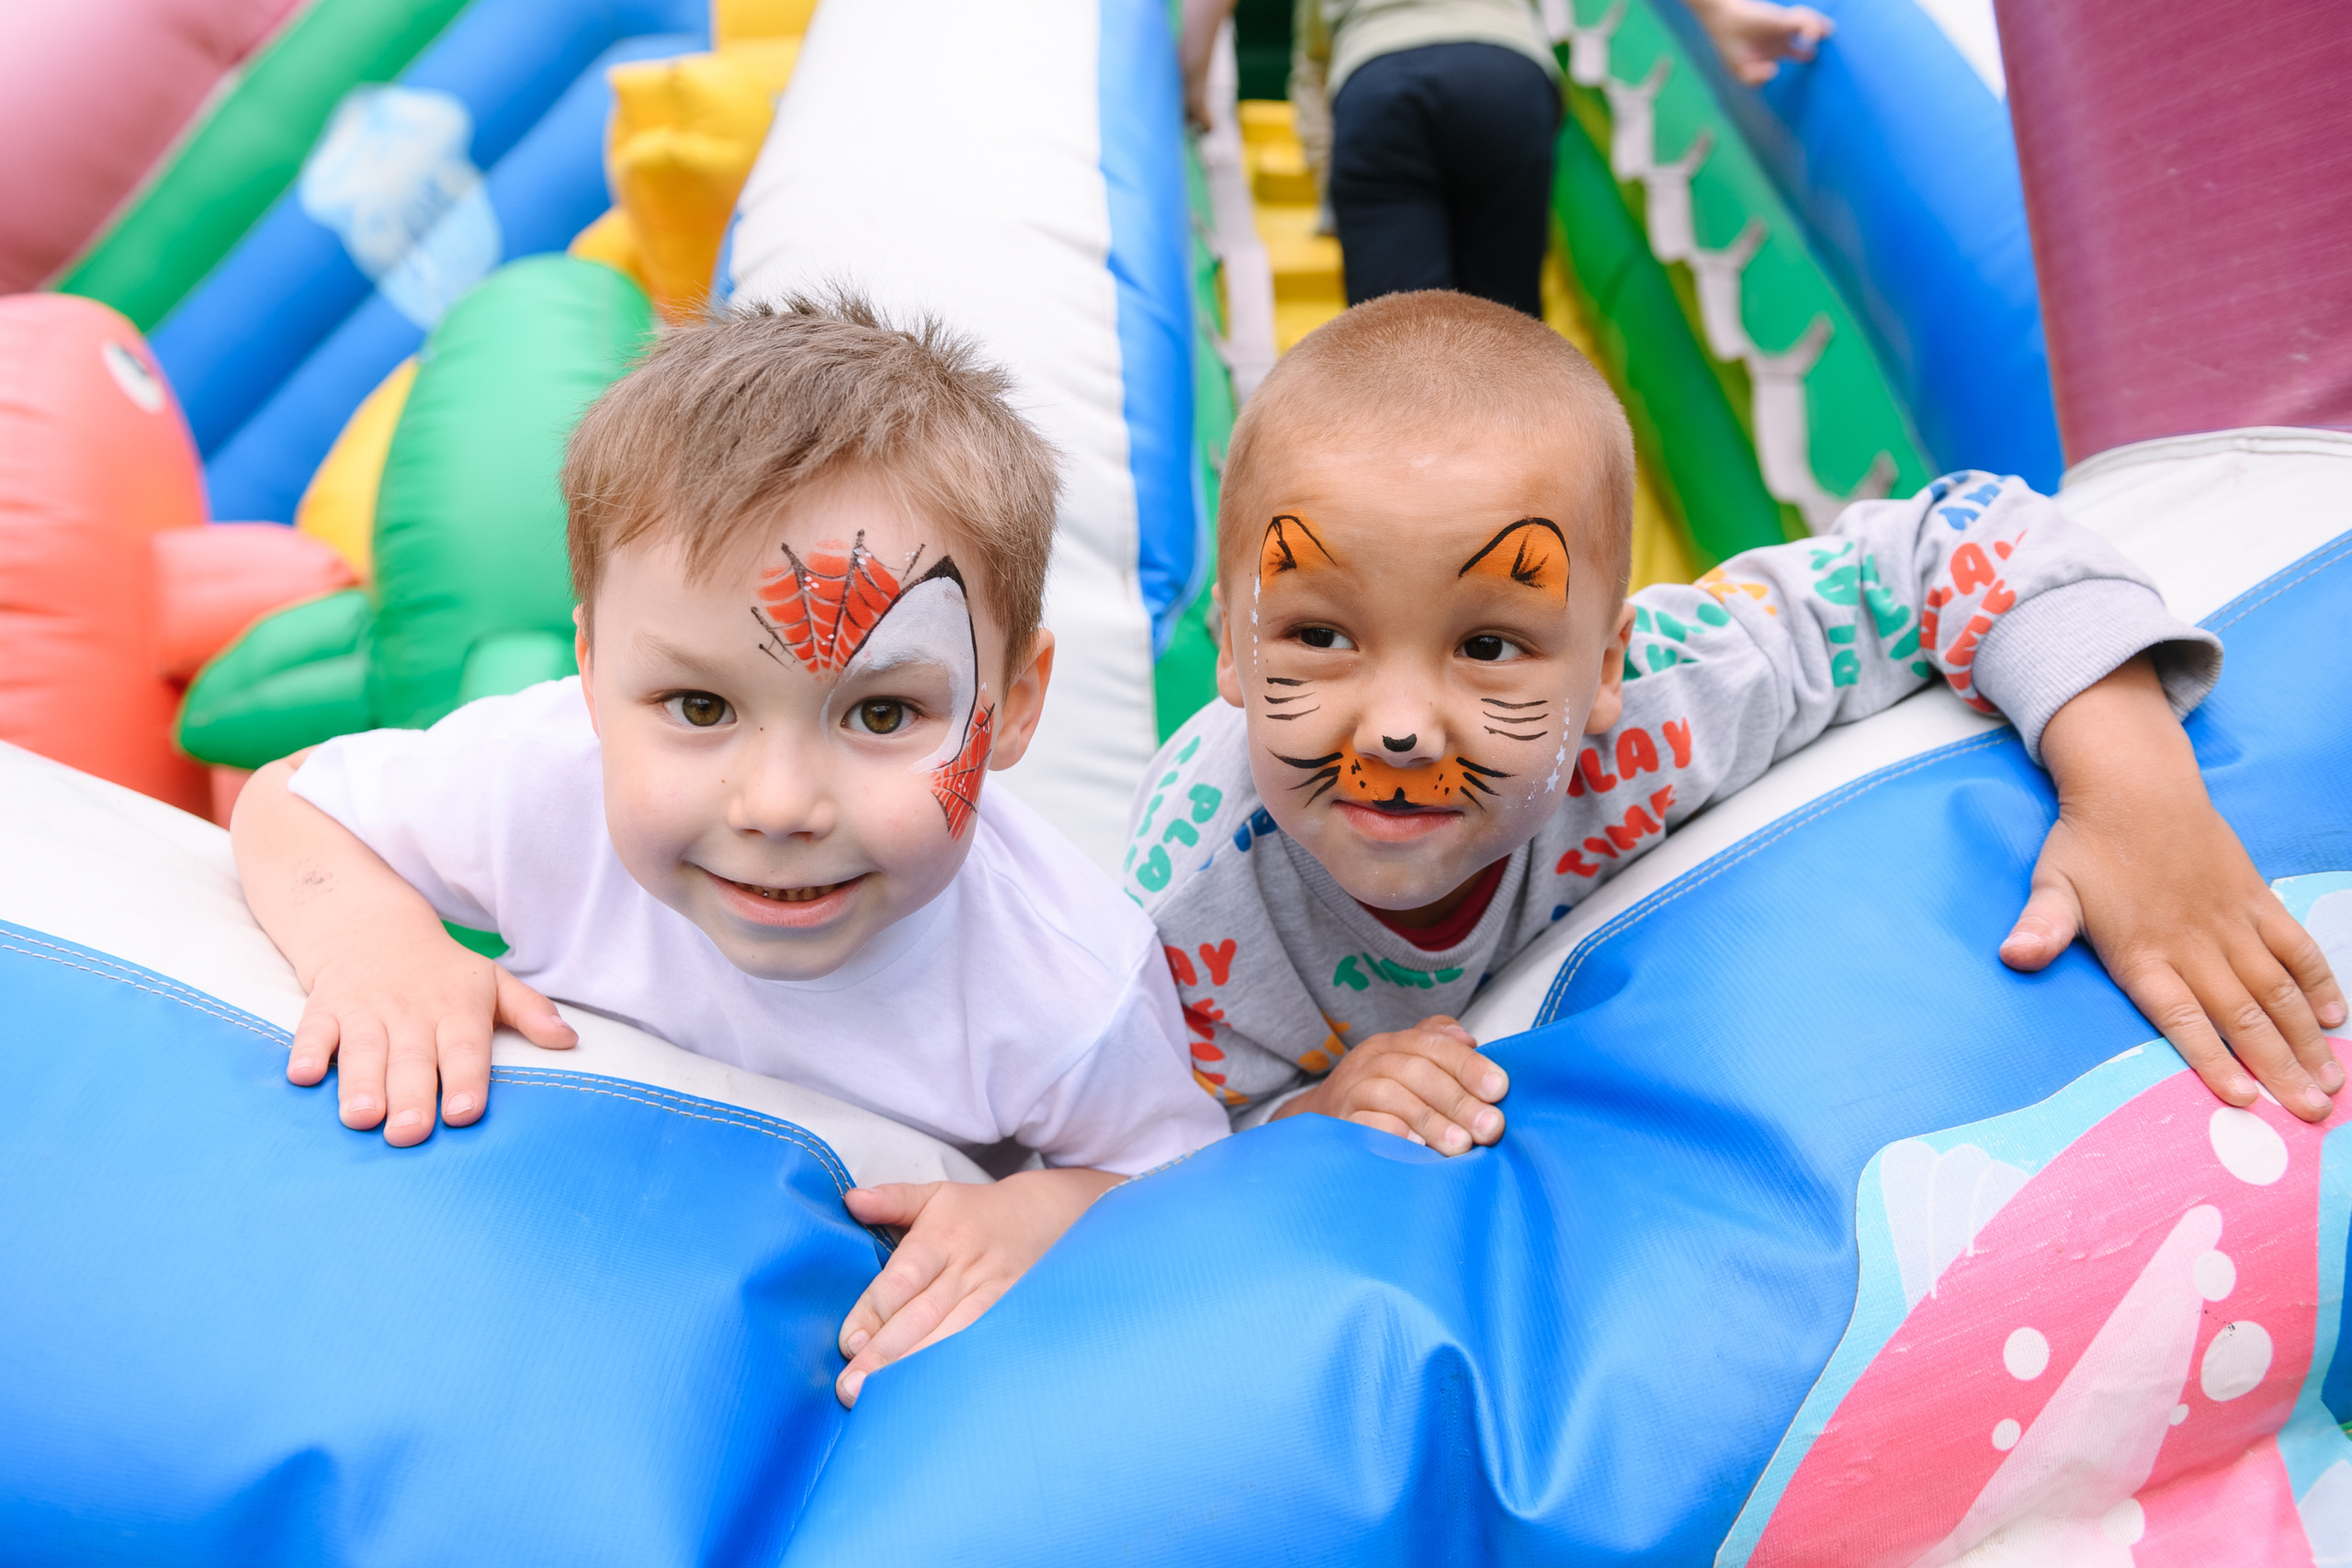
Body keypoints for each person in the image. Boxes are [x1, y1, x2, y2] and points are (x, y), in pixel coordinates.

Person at [231, 295, 1230, 1406]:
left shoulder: (1065, 987)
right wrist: (375, 946)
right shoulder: (541, 778)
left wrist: (1053, 1208)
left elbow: (1189, 1189)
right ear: (593, 669)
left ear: (1016, 702)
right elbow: (290, 802)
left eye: (883, 715)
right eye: (699, 707)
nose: (778, 804)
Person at [1125, 290, 2346, 1150]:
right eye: (1322, 636)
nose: (1397, 725)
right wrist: (1312, 1114)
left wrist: (2134, 794)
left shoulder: (1672, 695)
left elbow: (1958, 533)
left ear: (1607, 663)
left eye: (1489, 644)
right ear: (1230, 643)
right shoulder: (1181, 910)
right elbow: (1134, 1159)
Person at [1179, 0, 1833, 315]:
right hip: (1504, 75)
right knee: (1503, 326)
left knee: (1398, 340)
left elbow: (1309, 74)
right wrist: (1719, 18)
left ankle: (1415, 534)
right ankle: (1524, 536)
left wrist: (1191, 80)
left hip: (1378, 83)